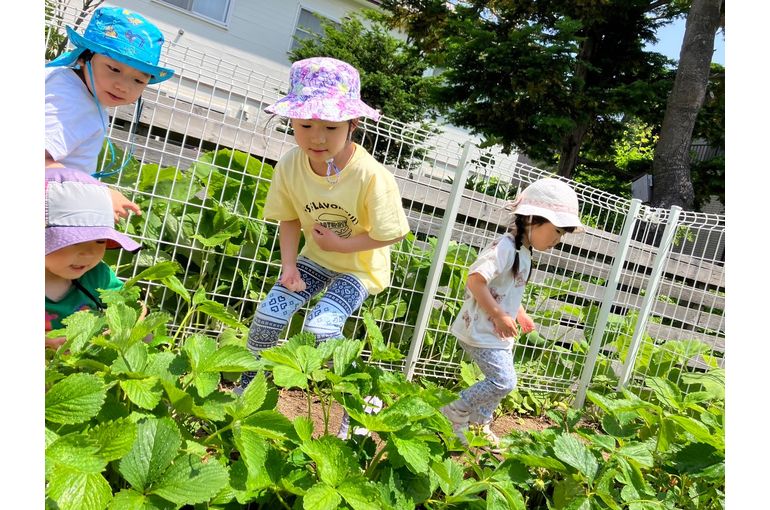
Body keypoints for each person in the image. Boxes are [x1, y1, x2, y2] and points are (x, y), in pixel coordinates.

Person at [238, 57, 411, 437]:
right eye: (305, 126)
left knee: (320, 326)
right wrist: (288, 267)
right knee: (268, 314)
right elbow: (288, 219)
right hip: (313, 259)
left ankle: (362, 398)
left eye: (331, 127)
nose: (317, 138)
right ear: (292, 121)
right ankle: (247, 391)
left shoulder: (370, 175)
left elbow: (393, 233)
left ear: (353, 124)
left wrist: (342, 243)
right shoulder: (290, 165)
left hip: (359, 268)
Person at [441, 177, 585, 448]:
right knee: (504, 381)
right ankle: (455, 409)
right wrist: (498, 315)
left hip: (496, 332)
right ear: (531, 219)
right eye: (556, 230)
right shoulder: (505, 247)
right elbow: (475, 280)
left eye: (562, 234)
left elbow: (505, 289)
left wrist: (520, 313)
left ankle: (479, 424)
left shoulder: (523, 251)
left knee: (501, 380)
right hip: (481, 329)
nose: (557, 239)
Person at [45, 6, 175, 221]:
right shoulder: (71, 100)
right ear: (84, 57)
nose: (123, 86)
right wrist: (99, 194)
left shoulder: (73, 88)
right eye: (114, 69)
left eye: (138, 80)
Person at [45, 167, 142, 350]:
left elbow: (132, 306)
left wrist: (119, 327)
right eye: (74, 241)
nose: (89, 253)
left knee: (146, 337)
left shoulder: (98, 275)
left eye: (100, 241)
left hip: (84, 360)